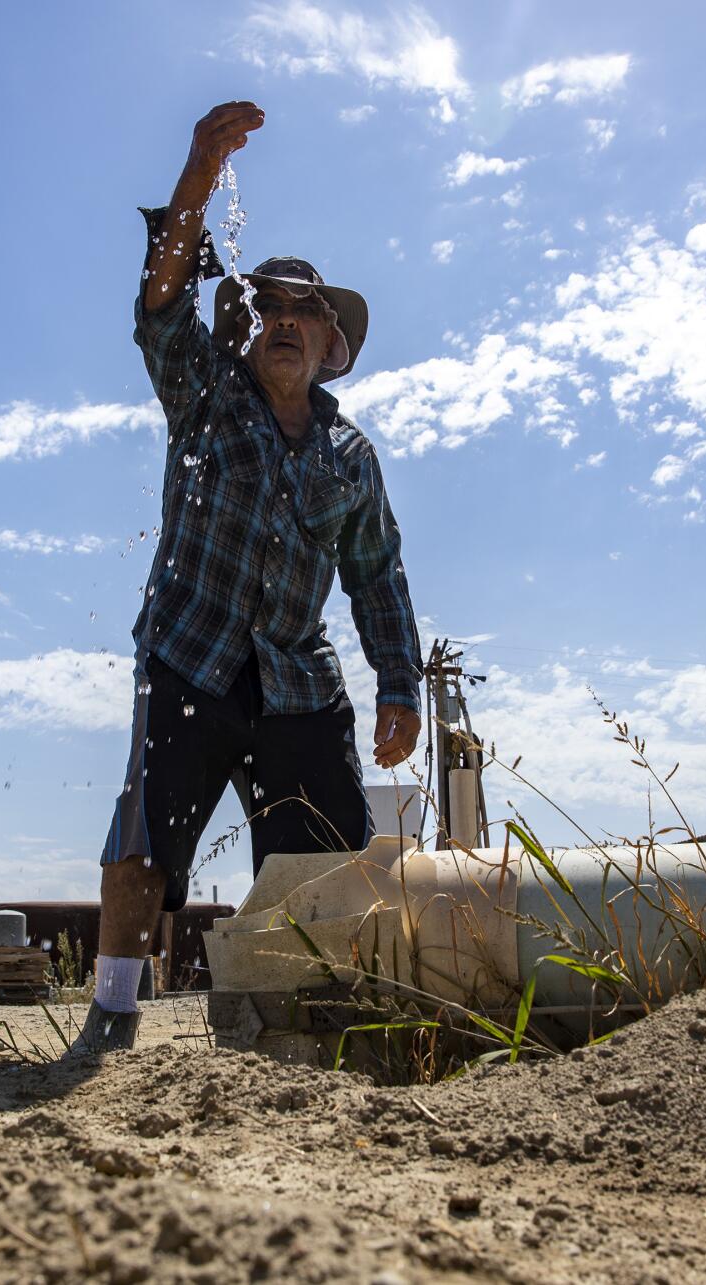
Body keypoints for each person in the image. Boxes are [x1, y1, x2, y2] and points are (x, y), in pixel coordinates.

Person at [67, 102, 424, 1057]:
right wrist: (196, 170)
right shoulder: (205, 394)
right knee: (145, 835)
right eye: (270, 308)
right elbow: (161, 299)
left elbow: (377, 577)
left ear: (329, 346)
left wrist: (401, 685)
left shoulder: (350, 455)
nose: (285, 323)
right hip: (191, 653)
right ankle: (112, 1013)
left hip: (297, 680)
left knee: (327, 854)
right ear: (251, 327)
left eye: (305, 312)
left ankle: (310, 1018)